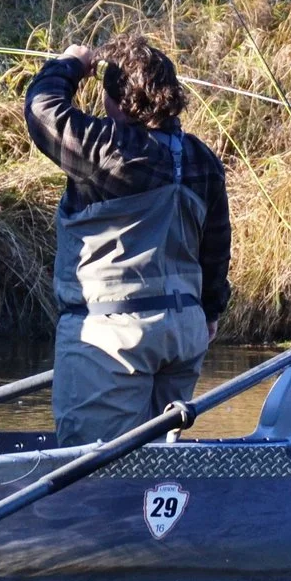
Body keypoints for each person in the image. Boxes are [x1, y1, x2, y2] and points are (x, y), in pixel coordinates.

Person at [24, 35, 233, 444]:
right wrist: (210, 310)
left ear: (118, 100)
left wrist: (69, 64)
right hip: (184, 332)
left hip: (114, 334)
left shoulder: (110, 150)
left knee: (94, 470)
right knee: (154, 472)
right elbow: (216, 246)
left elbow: (41, 110)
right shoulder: (202, 158)